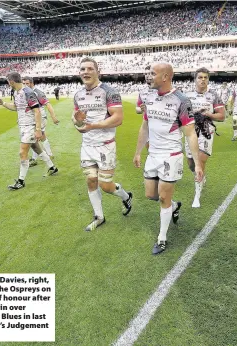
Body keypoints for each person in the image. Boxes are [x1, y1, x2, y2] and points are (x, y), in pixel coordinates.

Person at [133, 62, 203, 255]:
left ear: (165, 77)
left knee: (163, 196)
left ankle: (162, 239)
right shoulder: (147, 95)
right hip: (153, 154)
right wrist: (138, 151)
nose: (148, 76)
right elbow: (145, 126)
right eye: (147, 73)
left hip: (171, 155)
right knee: (151, 195)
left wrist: (197, 163)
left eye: (152, 73)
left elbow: (190, 134)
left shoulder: (181, 100)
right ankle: (174, 206)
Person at [72, 57, 132, 232]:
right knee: (91, 180)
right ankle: (99, 217)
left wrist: (92, 126)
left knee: (106, 186)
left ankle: (126, 196)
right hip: (87, 146)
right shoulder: (78, 95)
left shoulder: (109, 91)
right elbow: (77, 119)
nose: (86, 72)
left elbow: (118, 118)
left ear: (98, 72)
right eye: (83, 69)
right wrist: (78, 124)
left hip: (105, 145)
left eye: (90, 68)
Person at [0, 72, 58, 190]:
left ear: (11, 81)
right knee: (37, 148)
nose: (8, 83)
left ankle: (21, 181)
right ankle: (52, 167)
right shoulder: (16, 92)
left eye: (8, 81)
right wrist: (3, 103)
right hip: (23, 126)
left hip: (30, 126)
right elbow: (16, 107)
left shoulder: (27, 92)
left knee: (22, 153)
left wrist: (38, 129)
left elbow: (37, 111)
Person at [185, 67, 225, 208]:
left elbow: (222, 116)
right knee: (191, 163)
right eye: (200, 77)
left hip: (206, 131)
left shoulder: (214, 96)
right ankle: (202, 176)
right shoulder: (187, 96)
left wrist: (209, 114)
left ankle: (197, 197)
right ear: (195, 79)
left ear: (208, 79)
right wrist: (195, 113)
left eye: (205, 77)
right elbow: (182, 115)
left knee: (200, 161)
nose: (203, 80)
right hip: (191, 131)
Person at [22, 77, 59, 166]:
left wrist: (53, 117)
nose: (25, 86)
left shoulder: (37, 92)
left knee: (38, 137)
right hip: (34, 118)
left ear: (31, 83)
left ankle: (45, 156)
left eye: (27, 83)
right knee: (36, 137)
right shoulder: (28, 93)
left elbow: (48, 105)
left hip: (41, 117)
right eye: (24, 84)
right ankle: (45, 156)